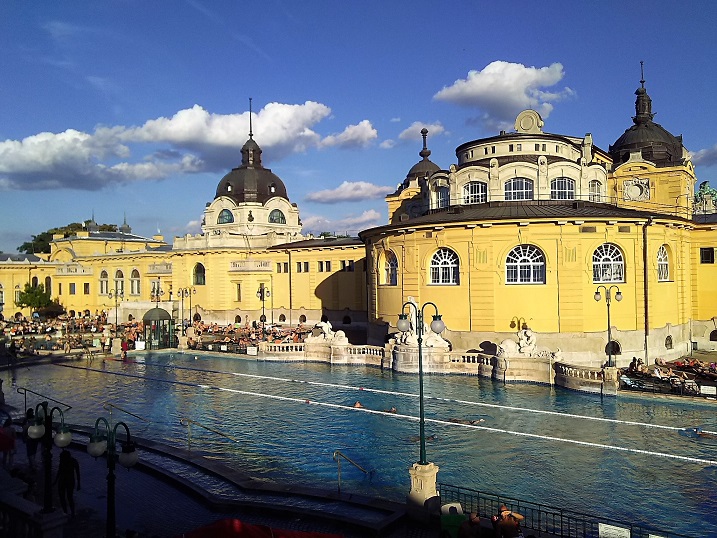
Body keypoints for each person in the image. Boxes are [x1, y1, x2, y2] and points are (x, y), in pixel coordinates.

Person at [55, 449, 80, 517]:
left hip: (65, 480)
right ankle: (70, 512)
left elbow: (59, 471)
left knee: (66, 497)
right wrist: (79, 484)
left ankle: (68, 512)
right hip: (69, 480)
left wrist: (55, 481)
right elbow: (77, 473)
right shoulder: (73, 461)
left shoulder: (66, 461)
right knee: (67, 497)